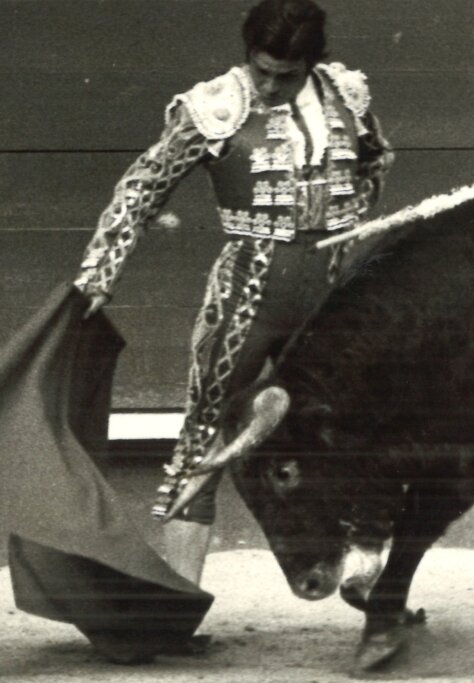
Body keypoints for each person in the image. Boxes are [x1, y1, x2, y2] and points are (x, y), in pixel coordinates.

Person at [74, 0, 393, 585]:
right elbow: (142, 188)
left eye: (285, 75)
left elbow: (375, 161)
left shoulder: (348, 97)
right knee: (200, 439)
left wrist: (351, 221)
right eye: (260, 69)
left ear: (312, 63)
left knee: (353, 432)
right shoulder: (215, 106)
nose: (268, 86)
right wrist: (101, 271)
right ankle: (179, 603)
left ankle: (364, 581)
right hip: (248, 297)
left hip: (330, 303)